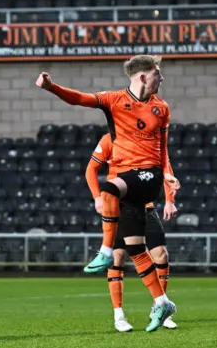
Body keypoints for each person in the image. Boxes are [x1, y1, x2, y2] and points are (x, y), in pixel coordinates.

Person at [36, 54, 176, 331]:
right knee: (136, 249)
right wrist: (52, 87)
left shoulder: (162, 108)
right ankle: (162, 303)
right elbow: (79, 98)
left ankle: (104, 250)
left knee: (109, 187)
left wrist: (167, 177)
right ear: (143, 76)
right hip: (129, 183)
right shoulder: (114, 101)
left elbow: (163, 147)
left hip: (147, 175)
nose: (163, 78)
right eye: (158, 73)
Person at [86, 133, 179, 332]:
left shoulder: (146, 138)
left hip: (144, 205)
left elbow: (164, 166)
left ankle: (161, 306)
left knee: (160, 254)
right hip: (120, 205)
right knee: (118, 257)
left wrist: (170, 199)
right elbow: (91, 169)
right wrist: (97, 198)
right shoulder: (109, 139)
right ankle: (119, 315)